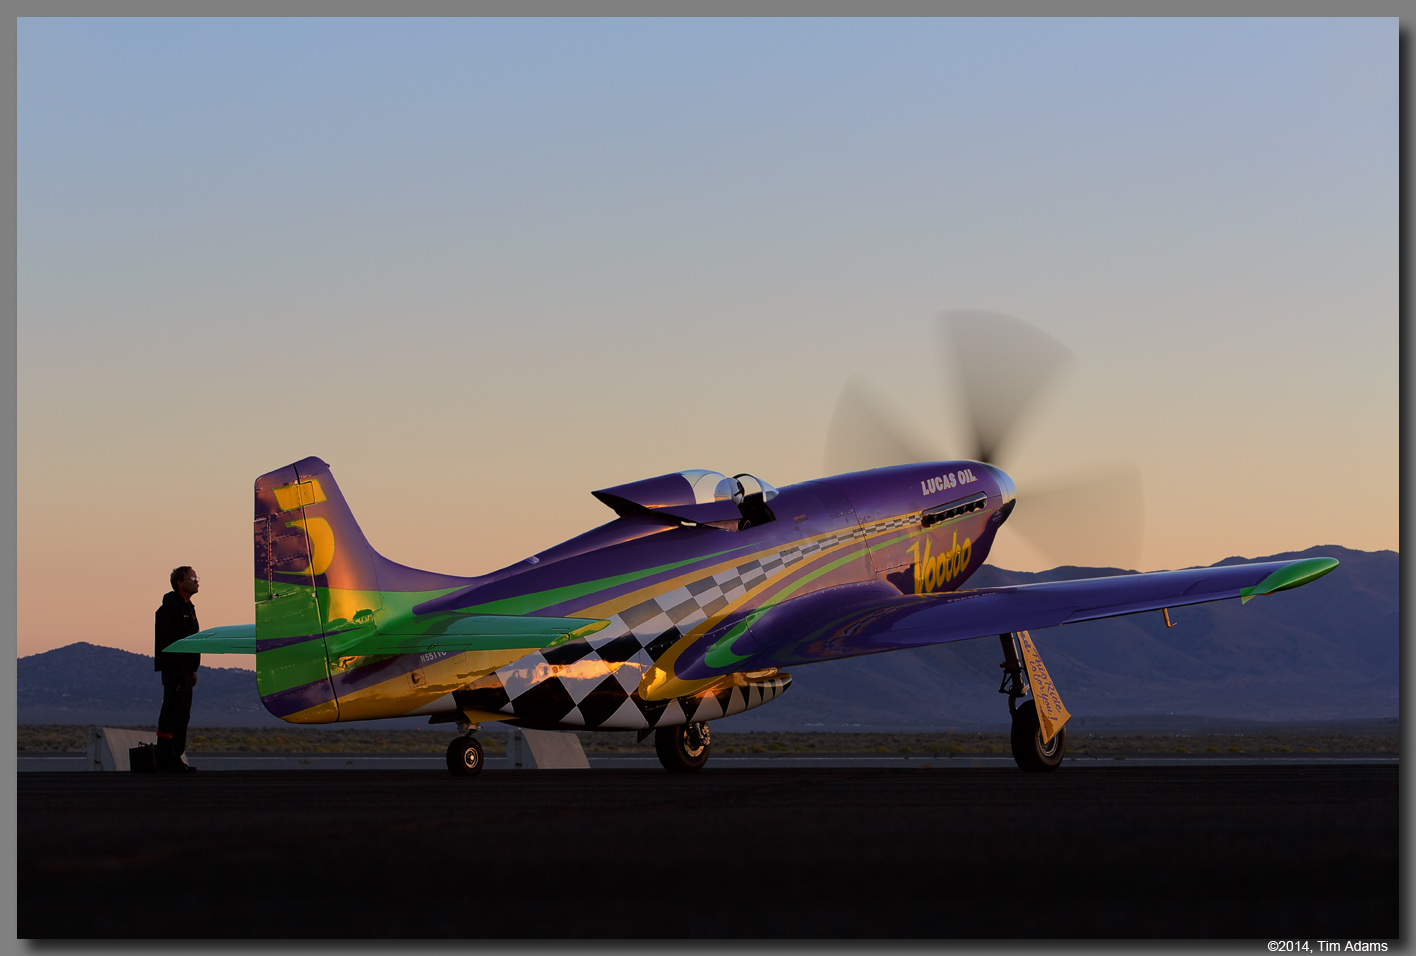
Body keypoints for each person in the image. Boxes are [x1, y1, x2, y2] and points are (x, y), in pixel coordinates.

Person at [154, 566, 202, 773]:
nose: (197, 581)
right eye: (192, 578)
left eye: (197, 577)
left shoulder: (188, 609)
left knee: (183, 715)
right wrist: (177, 668)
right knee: (171, 713)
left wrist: (192, 670)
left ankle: (176, 758)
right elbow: (168, 641)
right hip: (175, 670)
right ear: (180, 583)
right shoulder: (170, 609)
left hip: (186, 671)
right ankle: (165, 760)